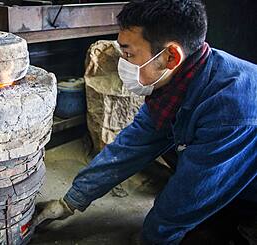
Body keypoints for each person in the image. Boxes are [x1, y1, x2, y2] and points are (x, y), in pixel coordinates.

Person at [32, 0, 257, 244]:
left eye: (129, 54)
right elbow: (131, 145)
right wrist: (71, 200)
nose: (123, 64)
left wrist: (152, 237)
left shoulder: (230, 111)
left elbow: (189, 193)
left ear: (171, 55)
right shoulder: (180, 80)